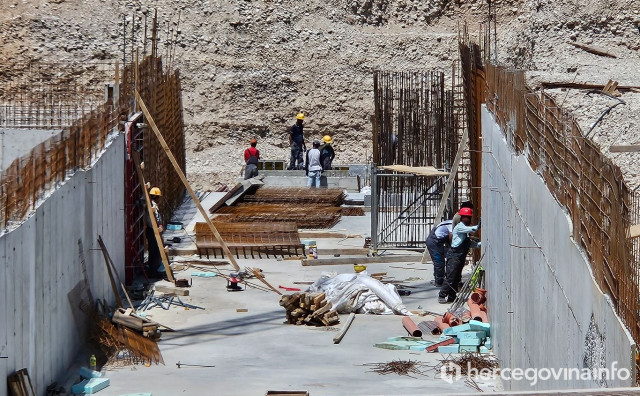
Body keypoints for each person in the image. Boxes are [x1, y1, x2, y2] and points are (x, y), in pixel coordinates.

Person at [438, 207, 481, 304]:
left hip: (460, 257)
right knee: (450, 277)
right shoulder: (460, 227)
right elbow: (472, 228)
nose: (469, 220)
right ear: (462, 218)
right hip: (454, 256)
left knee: (457, 278)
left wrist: (480, 244)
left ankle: (452, 297)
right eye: (467, 217)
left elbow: (470, 244)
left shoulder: (465, 233)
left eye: (469, 217)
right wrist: (478, 226)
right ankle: (442, 295)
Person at [425, 219, 453, 287]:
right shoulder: (452, 224)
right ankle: (439, 281)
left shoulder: (450, 222)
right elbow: (451, 236)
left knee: (439, 261)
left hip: (437, 240)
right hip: (434, 241)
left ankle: (438, 278)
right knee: (439, 261)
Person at [145, 187, 165, 277]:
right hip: (152, 231)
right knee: (154, 251)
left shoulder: (153, 205)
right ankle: (153, 271)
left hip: (153, 230)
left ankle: (153, 269)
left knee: (154, 251)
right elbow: (151, 220)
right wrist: (157, 227)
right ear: (156, 197)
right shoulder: (152, 206)